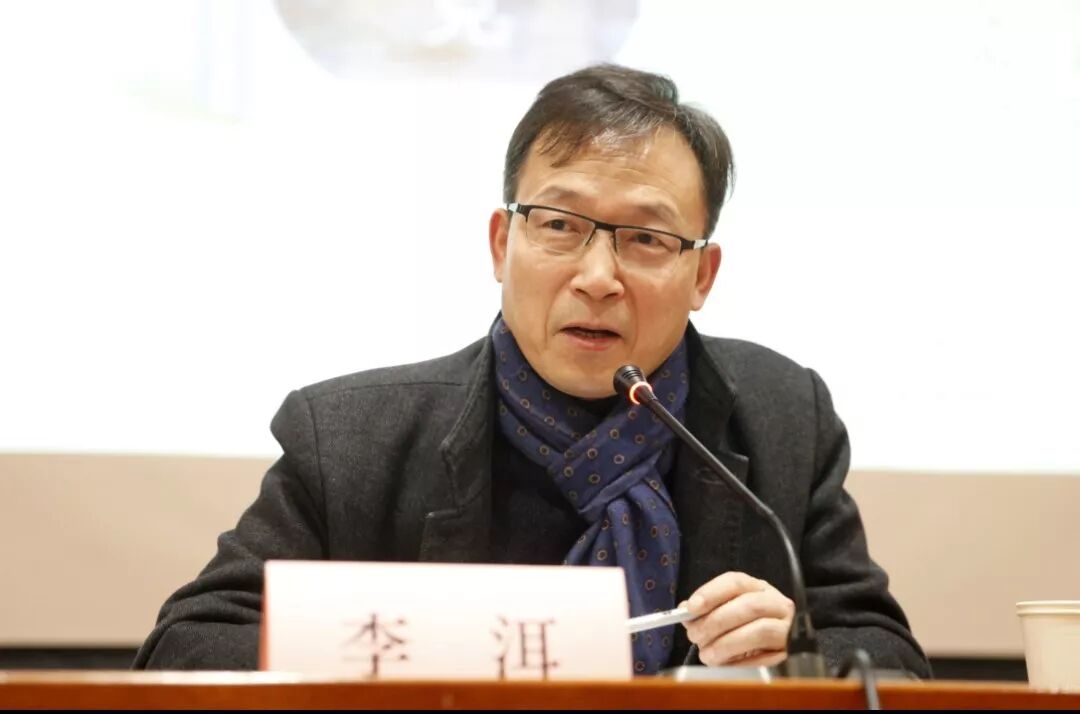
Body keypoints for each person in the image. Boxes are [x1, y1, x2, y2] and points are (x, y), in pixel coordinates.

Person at [133, 63, 930, 677]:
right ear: (500, 243)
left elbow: (890, 659)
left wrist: (799, 652)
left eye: (646, 239)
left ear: (703, 275)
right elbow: (186, 648)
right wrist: (403, 646)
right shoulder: (349, 440)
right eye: (559, 225)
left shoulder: (784, 417)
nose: (598, 276)